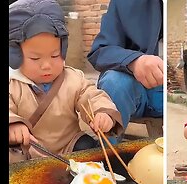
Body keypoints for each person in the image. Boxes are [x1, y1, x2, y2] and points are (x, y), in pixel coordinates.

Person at [9, 0, 123, 163]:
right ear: (15, 56)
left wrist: (102, 113)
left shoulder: (73, 78)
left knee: (92, 150)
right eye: (35, 58)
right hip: (30, 150)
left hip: (68, 146)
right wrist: (12, 125)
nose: (47, 65)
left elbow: (91, 96)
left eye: (55, 55)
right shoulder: (12, 83)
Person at [87, 0, 163, 142]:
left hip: (170, 93)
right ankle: (108, 159)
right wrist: (135, 61)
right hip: (140, 88)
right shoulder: (123, 3)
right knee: (114, 82)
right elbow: (101, 50)